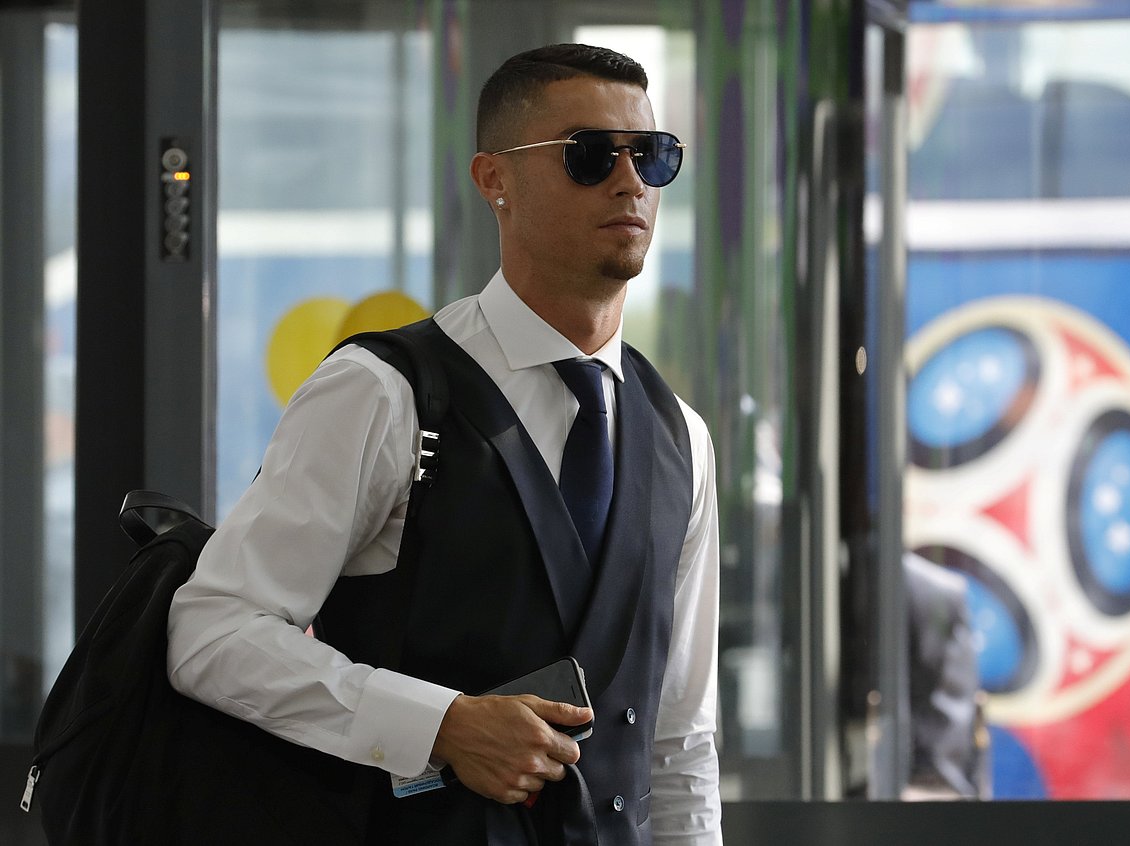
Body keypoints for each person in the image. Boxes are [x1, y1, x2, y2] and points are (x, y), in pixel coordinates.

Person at [167, 43, 722, 844]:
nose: (629, 180)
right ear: (494, 179)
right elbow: (212, 630)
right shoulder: (383, 390)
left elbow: (679, 742)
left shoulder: (682, 438)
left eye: (652, 154)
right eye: (590, 155)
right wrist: (440, 724)